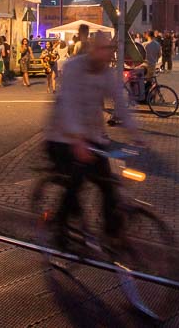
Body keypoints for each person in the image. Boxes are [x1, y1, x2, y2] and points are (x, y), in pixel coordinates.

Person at [44, 34, 140, 245]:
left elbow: (120, 103)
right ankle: (59, 228)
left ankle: (112, 235)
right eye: (103, 49)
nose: (107, 54)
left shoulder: (106, 73)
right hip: (62, 136)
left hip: (90, 136)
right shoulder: (73, 68)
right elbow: (67, 104)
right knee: (76, 181)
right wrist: (77, 139)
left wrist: (137, 134)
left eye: (110, 50)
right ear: (93, 49)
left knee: (107, 184)